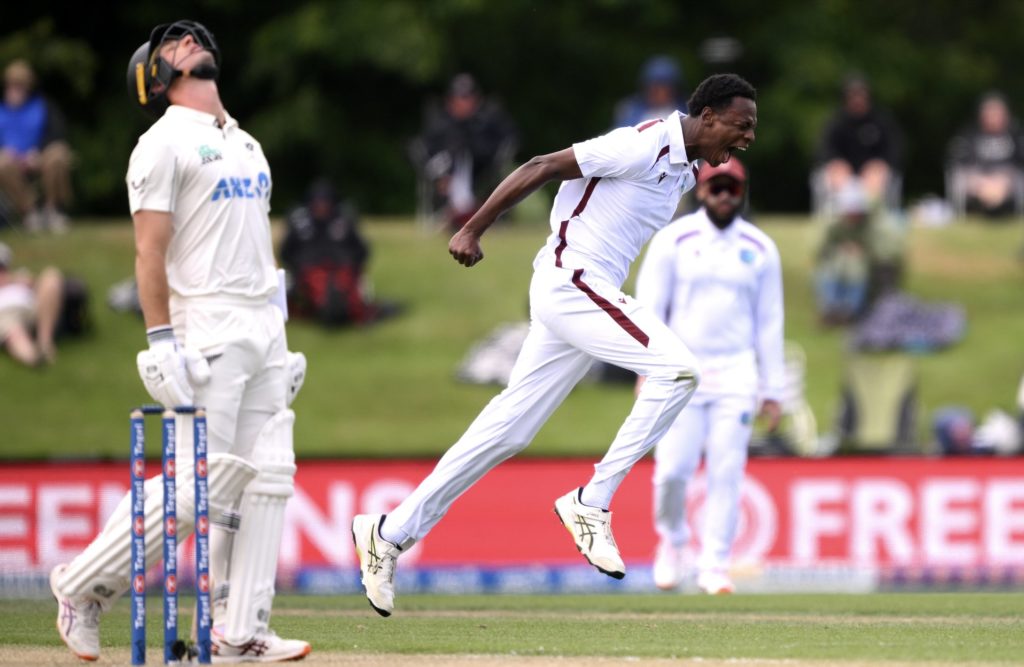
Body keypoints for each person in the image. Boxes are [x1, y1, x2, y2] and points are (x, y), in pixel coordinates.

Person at [352, 73, 759, 617]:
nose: (748, 139)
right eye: (742, 125)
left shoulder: (685, 171)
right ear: (708, 116)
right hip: (571, 282)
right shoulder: (639, 142)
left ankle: (389, 532)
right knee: (680, 370)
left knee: (508, 430)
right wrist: (473, 229)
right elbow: (539, 167)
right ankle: (592, 502)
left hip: (582, 294)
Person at [49, 21, 310, 662]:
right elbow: (149, 251)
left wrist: (280, 328)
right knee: (203, 485)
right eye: (174, 48)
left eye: (192, 42)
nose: (190, 44)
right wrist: (160, 340)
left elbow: (256, 244)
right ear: (157, 79)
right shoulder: (160, 145)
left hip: (261, 327)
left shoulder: (245, 142)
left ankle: (238, 629)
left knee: (269, 477)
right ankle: (81, 586)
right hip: (206, 324)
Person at [634, 158, 784, 594]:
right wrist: (647, 371)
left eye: (731, 188)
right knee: (672, 472)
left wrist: (772, 390)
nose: (723, 195)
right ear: (700, 191)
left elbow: (769, 323)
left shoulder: (759, 248)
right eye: (716, 187)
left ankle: (714, 563)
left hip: (736, 373)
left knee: (726, 470)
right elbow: (649, 310)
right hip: (681, 372)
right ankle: (673, 542)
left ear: (742, 193)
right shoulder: (673, 241)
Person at [280, 178, 398, 326]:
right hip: (309, 274)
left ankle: (348, 307)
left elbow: (362, 250)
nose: (321, 207)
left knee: (346, 290)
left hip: (341, 271)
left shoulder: (344, 220)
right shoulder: (300, 224)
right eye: (317, 202)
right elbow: (286, 252)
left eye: (324, 202)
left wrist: (354, 270)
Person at [410, 73, 518, 230]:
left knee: (463, 156)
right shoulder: (439, 123)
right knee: (455, 157)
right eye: (460, 98)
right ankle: (459, 210)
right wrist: (441, 175)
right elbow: (425, 150)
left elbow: (504, 144)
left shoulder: (487, 121)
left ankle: (461, 211)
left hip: (481, 171)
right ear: (450, 101)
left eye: (468, 98)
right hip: (442, 173)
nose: (464, 103)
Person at [813, 181, 904, 326]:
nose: (852, 216)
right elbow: (821, 249)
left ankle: (850, 312)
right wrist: (841, 249)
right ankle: (831, 310)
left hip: (866, 267)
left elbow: (885, 253)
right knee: (832, 270)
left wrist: (862, 251)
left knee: (856, 269)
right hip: (836, 266)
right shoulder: (832, 225)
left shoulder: (877, 225)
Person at [0, 59, 73, 232]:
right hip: (10, 161)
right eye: (12, 86)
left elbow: (58, 133)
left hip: (39, 156)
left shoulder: (43, 106)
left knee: (59, 154)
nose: (15, 91)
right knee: (2, 163)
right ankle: (30, 212)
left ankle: (52, 210)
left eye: (20, 87)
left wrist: (37, 153)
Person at [816, 75, 903, 208]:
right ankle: (843, 215)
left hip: (873, 173)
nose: (857, 100)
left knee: (876, 175)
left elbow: (894, 149)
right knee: (837, 173)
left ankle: (870, 214)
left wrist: (881, 164)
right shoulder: (836, 123)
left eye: (861, 96)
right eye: (853, 96)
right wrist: (836, 162)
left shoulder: (881, 121)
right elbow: (824, 149)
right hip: (843, 173)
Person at [946, 92, 1024, 218]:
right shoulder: (969, 134)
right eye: (989, 114)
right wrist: (981, 183)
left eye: (997, 114)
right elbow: (956, 161)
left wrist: (1002, 181)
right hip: (977, 183)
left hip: (1008, 182)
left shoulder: (1016, 134)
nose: (993, 118)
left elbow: (1020, 162)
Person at [0, 241, 63, 366]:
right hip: (5, 313)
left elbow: (43, 286)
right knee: (14, 331)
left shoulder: (21, 275)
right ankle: (32, 357)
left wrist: (28, 281)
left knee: (51, 276)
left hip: (32, 307)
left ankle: (45, 344)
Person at [613, 55, 689, 128]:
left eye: (663, 86)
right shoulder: (629, 110)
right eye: (653, 86)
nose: (656, 91)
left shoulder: (685, 114)